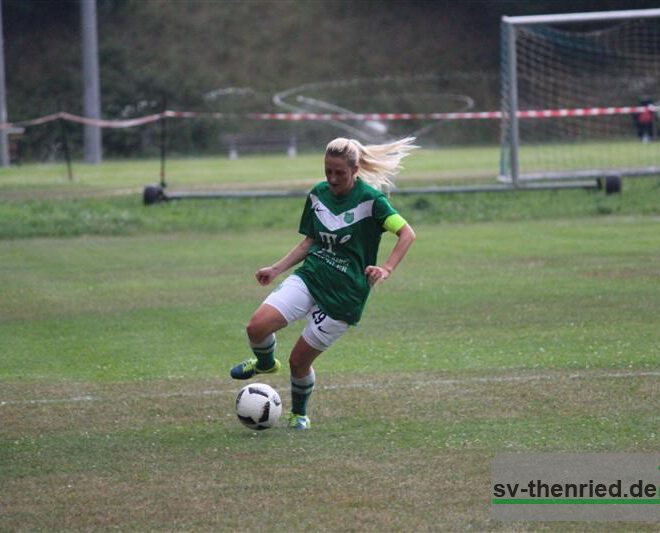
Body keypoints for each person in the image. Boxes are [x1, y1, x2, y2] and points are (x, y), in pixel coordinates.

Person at [229, 136, 417, 430]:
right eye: (327, 171)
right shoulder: (318, 195)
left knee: (298, 362)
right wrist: (276, 269)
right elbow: (310, 241)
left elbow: (407, 233)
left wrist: (386, 268)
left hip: (345, 297)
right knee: (257, 327)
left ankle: (299, 414)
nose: (331, 178)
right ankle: (265, 363)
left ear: (355, 171)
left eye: (339, 173)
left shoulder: (372, 202)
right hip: (312, 275)